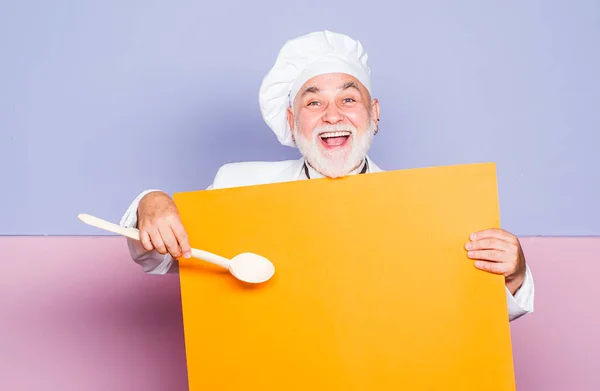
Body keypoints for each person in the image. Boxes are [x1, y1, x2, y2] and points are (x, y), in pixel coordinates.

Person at [120, 30, 534, 321]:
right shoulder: (237, 186)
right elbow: (160, 258)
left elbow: (469, 316)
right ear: (292, 120)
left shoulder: (429, 207)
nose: (332, 115)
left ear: (374, 113)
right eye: (313, 102)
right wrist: (150, 204)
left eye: (348, 98)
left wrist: (513, 273)